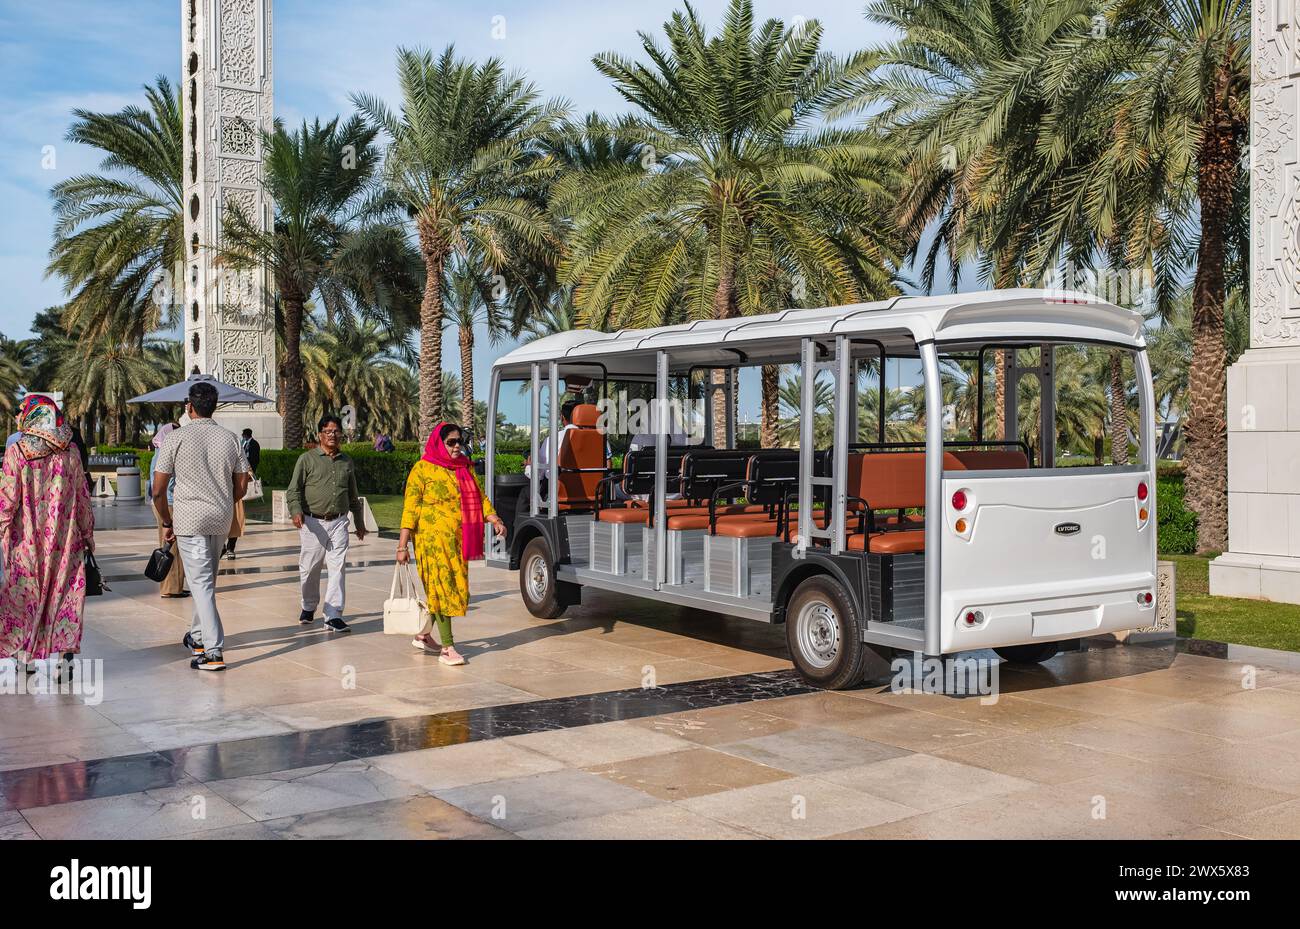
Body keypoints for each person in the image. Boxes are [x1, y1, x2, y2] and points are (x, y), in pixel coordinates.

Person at [152, 382, 250, 672]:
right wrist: (222, 498)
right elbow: (242, 484)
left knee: (202, 582)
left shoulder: (175, 438)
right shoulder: (230, 438)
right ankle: (197, 637)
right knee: (205, 581)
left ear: (189, 406)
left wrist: (167, 520)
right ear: (214, 406)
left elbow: (158, 490)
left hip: (189, 518)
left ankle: (213, 651)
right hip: (220, 517)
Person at [0, 396, 94, 676]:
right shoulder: (72, 452)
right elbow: (83, 497)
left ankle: (24, 657)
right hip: (65, 543)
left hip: (25, 543)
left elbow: (6, 501)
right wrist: (87, 534)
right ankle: (65, 661)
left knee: (23, 596)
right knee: (64, 598)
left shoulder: (17, 452)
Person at [397, 422, 505, 665]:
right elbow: (410, 509)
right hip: (430, 540)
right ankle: (448, 648)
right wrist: (402, 546)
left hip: (457, 539)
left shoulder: (464, 468)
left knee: (452, 588)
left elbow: (479, 497)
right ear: (439, 442)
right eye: (451, 442)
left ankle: (423, 635)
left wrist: (494, 518)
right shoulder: (422, 469)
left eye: (460, 442)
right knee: (441, 589)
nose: (457, 447)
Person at [286, 415, 366, 632]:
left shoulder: (346, 461)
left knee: (337, 568)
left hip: (339, 522)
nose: (332, 435)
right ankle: (309, 606)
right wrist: (295, 512)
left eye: (336, 431)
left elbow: (352, 495)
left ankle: (333, 614)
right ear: (320, 434)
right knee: (310, 568)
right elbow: (293, 490)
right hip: (313, 523)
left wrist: (359, 523)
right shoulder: (307, 459)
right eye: (328, 431)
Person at [148, 423, 187, 598]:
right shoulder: (165, 453)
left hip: (163, 502)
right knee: (171, 546)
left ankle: (173, 586)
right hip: (169, 503)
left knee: (171, 545)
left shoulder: (158, 452)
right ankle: (171, 588)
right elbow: (166, 483)